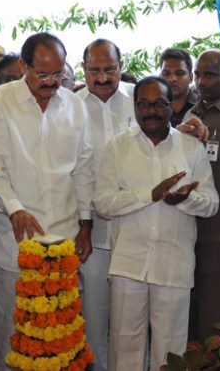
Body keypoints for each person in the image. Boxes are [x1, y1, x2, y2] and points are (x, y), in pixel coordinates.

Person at [0, 32, 94, 371]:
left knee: (61, 336)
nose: (52, 82)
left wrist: (86, 225)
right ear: (23, 66)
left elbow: (83, 168)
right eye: (43, 75)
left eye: (59, 74)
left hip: (64, 240)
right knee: (13, 336)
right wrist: (15, 208)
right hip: (12, 244)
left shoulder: (74, 105)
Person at [93, 76, 218, 371]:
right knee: (124, 348)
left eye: (159, 104)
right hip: (128, 264)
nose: (151, 111)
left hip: (173, 264)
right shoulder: (117, 148)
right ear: (135, 108)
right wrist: (150, 195)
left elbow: (212, 204)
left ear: (171, 106)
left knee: (171, 353)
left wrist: (184, 200)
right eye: (144, 105)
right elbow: (103, 203)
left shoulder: (191, 148)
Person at [76, 39, 135, 371]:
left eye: (109, 70)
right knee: (94, 313)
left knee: (132, 315)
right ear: (83, 69)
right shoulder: (69, 105)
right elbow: (76, 171)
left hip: (135, 226)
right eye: (94, 70)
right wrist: (84, 224)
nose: (102, 78)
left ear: (120, 66)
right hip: (93, 231)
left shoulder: (140, 99)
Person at [183, 49, 220, 341]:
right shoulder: (192, 114)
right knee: (190, 313)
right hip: (187, 228)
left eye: (210, 74)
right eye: (198, 75)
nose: (201, 82)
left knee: (216, 316)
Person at [159, 48, 198, 127]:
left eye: (179, 73)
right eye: (166, 73)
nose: (172, 79)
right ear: (160, 77)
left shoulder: (201, 106)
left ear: (190, 78)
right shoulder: (152, 107)